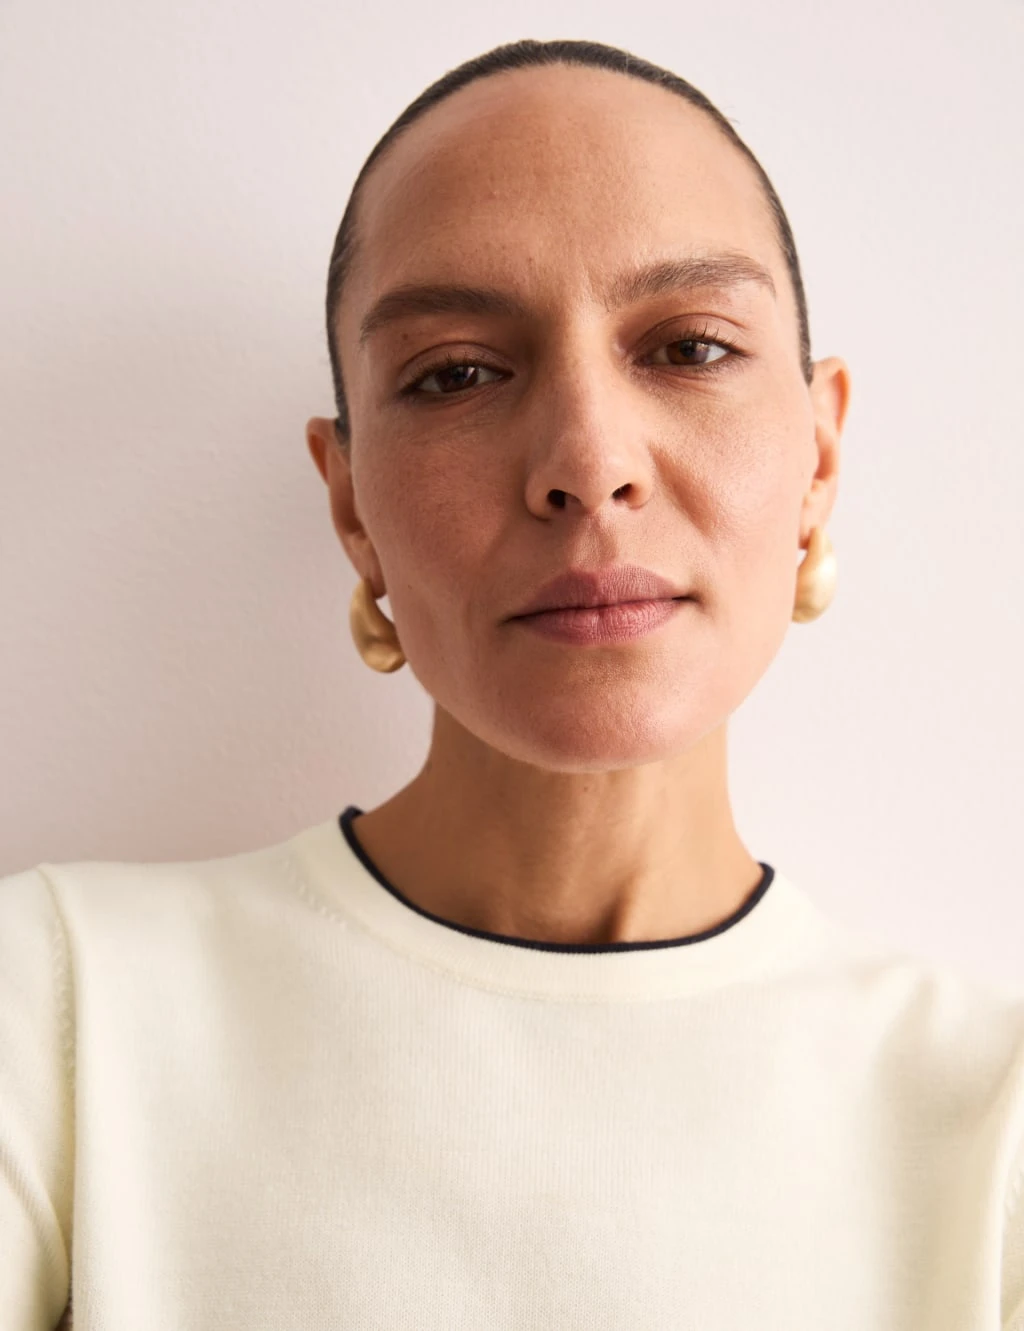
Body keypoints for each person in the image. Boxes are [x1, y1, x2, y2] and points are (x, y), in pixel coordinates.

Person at [2, 36, 1023, 1331]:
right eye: (457, 374)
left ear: (818, 458)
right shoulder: (56, 1011)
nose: (588, 464)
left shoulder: (992, 1128)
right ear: (351, 501)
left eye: (689, 348)